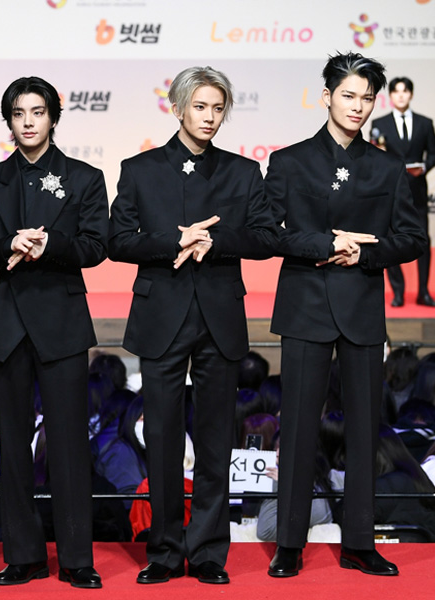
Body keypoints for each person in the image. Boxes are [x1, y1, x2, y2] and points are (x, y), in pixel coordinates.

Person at [108, 66, 277, 585]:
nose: (209, 117)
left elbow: (266, 236)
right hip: (161, 315)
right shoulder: (140, 169)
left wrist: (214, 242)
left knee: (214, 440)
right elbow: (117, 240)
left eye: (217, 108)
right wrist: (174, 241)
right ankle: (163, 550)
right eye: (200, 106)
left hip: (219, 317)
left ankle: (206, 551)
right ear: (177, 107)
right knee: (160, 438)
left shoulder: (243, 172)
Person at [265, 52, 426, 578]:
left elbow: (413, 238)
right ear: (326, 96)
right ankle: (289, 542)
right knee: (297, 429)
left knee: (364, 430)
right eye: (349, 95)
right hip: (305, 306)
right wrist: (325, 244)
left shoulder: (386, 166)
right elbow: (267, 233)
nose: (358, 106)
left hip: (361, 308)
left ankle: (360, 541)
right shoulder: (288, 161)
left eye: (366, 98)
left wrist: (366, 251)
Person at [0, 76, 108, 588]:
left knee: (69, 446)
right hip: (8, 324)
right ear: (8, 120)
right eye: (19, 113)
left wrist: (52, 246)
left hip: (62, 324)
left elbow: (97, 246)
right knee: (13, 447)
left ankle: (76, 559)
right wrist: (8, 245)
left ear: (53, 117)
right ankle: (23, 555)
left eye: (37, 112)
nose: (28, 122)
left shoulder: (85, 177)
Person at [369, 77, 435, 306]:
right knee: (390, 239)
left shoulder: (425, 123)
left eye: (405, 91)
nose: (400, 95)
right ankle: (398, 291)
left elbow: (433, 153)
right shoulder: (379, 123)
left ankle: (423, 291)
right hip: (390, 190)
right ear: (390, 96)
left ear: (411, 94)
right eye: (396, 91)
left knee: (423, 240)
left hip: (417, 190)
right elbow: (373, 155)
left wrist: (423, 168)